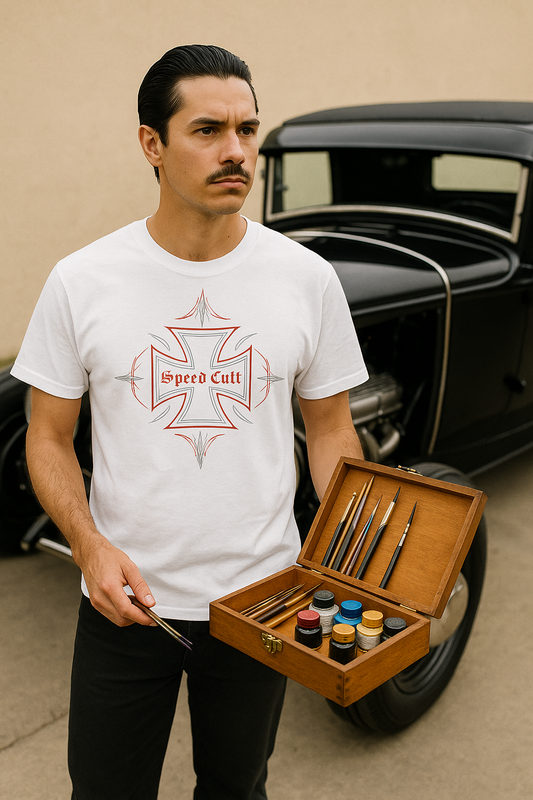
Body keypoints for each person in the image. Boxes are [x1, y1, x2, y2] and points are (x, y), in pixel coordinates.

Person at [12, 45, 368, 799]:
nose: (236, 151)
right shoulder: (82, 280)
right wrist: (88, 546)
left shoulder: (306, 279)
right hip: (123, 603)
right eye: (207, 130)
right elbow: (47, 439)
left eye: (247, 129)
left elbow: (332, 430)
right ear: (152, 143)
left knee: (236, 787)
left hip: (261, 602)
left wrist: (346, 552)